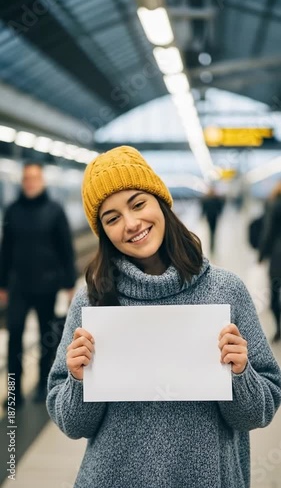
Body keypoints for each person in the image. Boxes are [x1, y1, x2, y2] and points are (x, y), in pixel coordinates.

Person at [47, 146, 281, 488]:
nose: (131, 224)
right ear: (103, 233)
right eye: (112, 218)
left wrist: (240, 373)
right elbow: (72, 424)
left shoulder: (226, 290)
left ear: (161, 202)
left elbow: (258, 413)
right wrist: (79, 380)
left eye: (138, 203)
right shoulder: (92, 302)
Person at [0, 162, 77, 404]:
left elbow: (66, 249)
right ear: (23, 182)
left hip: (47, 286)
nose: (31, 183)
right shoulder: (12, 211)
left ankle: (43, 387)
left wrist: (69, 283)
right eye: (27, 179)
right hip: (18, 286)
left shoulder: (55, 210)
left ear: (42, 181)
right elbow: (6, 250)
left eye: (35, 178)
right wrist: (2, 284)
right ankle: (14, 394)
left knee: (46, 338)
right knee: (15, 339)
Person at [259, 180, 281, 342]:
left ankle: (278, 329)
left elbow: (268, 232)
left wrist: (261, 254)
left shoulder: (275, 205)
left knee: (274, 291)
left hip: (277, 256)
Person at [201, 186, 224, 254]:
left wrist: (202, 216)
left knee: (211, 230)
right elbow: (220, 208)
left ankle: (212, 244)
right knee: (213, 231)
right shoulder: (216, 199)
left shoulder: (206, 199)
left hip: (211, 216)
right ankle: (212, 244)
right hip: (213, 216)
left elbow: (204, 209)